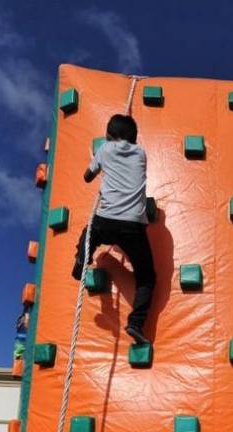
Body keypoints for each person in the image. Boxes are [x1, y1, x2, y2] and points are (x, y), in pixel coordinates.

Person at [74, 114, 156, 345]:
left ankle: (82, 261)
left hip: (106, 219)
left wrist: (100, 165)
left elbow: (87, 176)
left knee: (89, 233)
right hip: (133, 225)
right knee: (147, 278)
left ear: (110, 135)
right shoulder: (141, 153)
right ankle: (136, 323)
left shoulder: (105, 149)